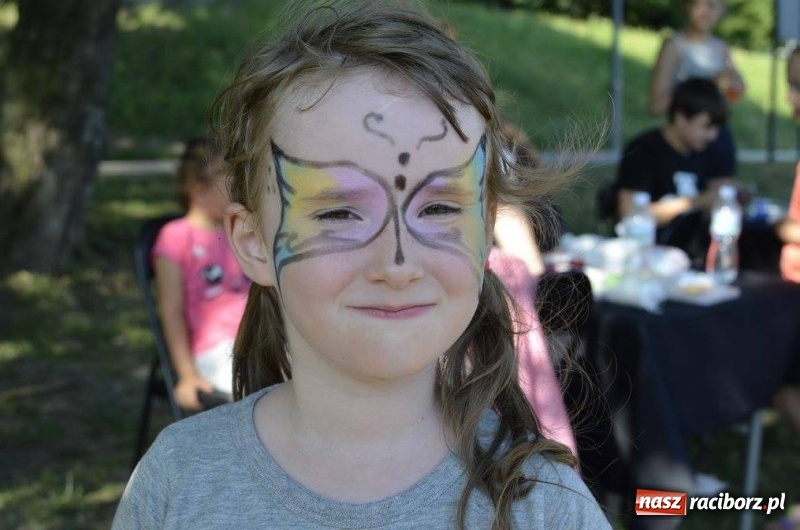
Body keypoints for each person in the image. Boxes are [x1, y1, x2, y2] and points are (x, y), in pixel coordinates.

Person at [113, 3, 611, 529]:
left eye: (439, 208)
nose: (397, 265)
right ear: (254, 241)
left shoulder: (545, 504)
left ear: (485, 227)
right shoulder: (179, 480)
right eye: (339, 213)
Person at [152, 136, 249, 412]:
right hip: (216, 352)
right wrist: (187, 375)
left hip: (259, 339)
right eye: (229, 177)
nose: (239, 186)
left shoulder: (239, 232)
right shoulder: (175, 237)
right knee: (266, 390)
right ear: (199, 186)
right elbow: (171, 311)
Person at [617, 77, 738, 230]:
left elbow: (723, 192)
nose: (713, 135)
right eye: (706, 126)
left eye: (717, 128)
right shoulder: (643, 150)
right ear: (680, 118)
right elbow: (629, 215)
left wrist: (729, 195)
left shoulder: (713, 150)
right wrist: (696, 202)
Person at [649, 0, 744, 176]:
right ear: (687, 6)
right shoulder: (674, 45)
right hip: (685, 142)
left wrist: (734, 84)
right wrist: (709, 85)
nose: (706, 10)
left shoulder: (721, 48)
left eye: (712, 4)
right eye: (699, 3)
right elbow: (656, 106)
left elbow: (734, 94)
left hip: (718, 139)